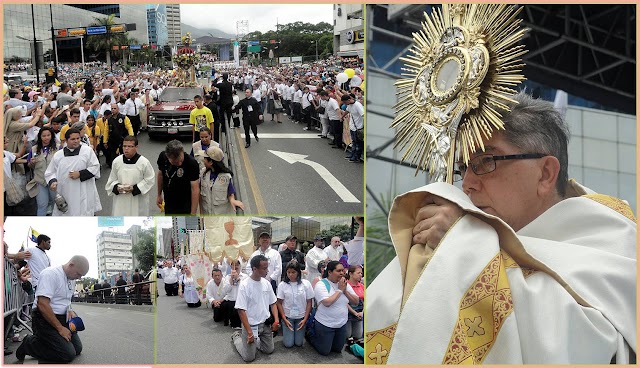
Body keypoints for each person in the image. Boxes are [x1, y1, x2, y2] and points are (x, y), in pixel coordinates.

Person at [366, 92, 637, 364]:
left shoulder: (613, 239)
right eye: (464, 168)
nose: (467, 183)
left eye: (486, 161)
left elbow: (583, 342)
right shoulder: (482, 238)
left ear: (545, 174)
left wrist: (462, 243)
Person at [15, 255, 89, 363]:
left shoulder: (71, 279)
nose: (79, 278)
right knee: (67, 354)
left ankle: (49, 341)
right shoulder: (50, 274)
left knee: (77, 349)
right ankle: (29, 343)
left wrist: (70, 310)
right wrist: (60, 328)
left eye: (81, 276)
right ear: (71, 264)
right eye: (78, 274)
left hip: (63, 317)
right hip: (44, 318)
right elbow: (42, 304)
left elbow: (65, 300)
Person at [232, 255, 280, 362]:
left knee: (269, 350)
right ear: (254, 269)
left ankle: (255, 341)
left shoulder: (266, 283)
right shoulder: (244, 285)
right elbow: (241, 310)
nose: (267, 271)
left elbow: (273, 303)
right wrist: (249, 332)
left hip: (265, 324)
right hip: (251, 326)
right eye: (264, 268)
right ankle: (237, 337)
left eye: (267, 267)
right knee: (249, 358)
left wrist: (276, 321)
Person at [44, 128, 102, 216]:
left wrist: (80, 174)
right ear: (66, 140)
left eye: (78, 138)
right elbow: (50, 172)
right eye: (73, 139)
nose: (76, 141)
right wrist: (53, 181)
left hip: (83, 190)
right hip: (66, 193)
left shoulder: (87, 151)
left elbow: (95, 167)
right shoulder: (58, 155)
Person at [310, 261, 360, 356]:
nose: (342, 273)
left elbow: (356, 301)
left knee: (337, 349)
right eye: (338, 271)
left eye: (342, 270)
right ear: (330, 272)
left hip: (341, 324)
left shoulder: (345, 284)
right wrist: (340, 290)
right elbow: (327, 303)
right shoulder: (321, 284)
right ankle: (310, 334)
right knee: (324, 351)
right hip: (325, 323)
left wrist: (345, 291)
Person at [105, 135, 155, 216]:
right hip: (121, 200)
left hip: (137, 200)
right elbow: (112, 179)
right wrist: (117, 187)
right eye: (124, 146)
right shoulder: (117, 161)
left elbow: (150, 180)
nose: (126, 149)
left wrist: (134, 188)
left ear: (136, 147)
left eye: (130, 146)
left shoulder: (143, 162)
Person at [156, 140, 200, 215]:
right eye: (175, 162)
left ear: (182, 151)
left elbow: (195, 189)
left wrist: (193, 213)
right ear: (167, 157)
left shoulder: (191, 163)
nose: (179, 164)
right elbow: (160, 175)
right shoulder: (162, 157)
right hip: (169, 201)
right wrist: (159, 195)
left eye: (181, 160)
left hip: (185, 203)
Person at [276, 260, 314, 348]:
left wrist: (305, 319)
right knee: (288, 344)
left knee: (299, 343)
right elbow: (279, 303)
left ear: (298, 272)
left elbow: (309, 302)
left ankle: (307, 333)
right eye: (288, 272)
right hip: (288, 317)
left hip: (301, 318)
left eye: (293, 272)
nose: (290, 275)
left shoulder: (306, 284)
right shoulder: (282, 285)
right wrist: (284, 318)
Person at [199, 146, 244, 215]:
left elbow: (230, 192)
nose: (203, 160)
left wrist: (232, 200)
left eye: (205, 158)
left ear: (211, 162)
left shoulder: (225, 177)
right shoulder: (203, 174)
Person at [26, 127, 59, 216]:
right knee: (42, 205)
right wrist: (31, 163)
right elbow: (29, 165)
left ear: (52, 136)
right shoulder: (34, 149)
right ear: (40, 137)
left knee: (55, 203)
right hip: (40, 181)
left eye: (48, 135)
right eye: (43, 136)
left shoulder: (58, 147)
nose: (46, 138)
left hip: (54, 181)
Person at [103, 104, 133, 168]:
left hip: (122, 140)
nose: (113, 110)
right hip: (112, 141)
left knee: (124, 155)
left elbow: (129, 127)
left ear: (118, 109)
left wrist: (131, 138)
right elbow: (106, 131)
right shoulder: (108, 120)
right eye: (112, 109)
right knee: (113, 157)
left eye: (115, 108)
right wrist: (105, 141)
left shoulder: (124, 118)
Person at [221, 260, 248, 329]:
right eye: (233, 265)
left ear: (240, 266)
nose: (235, 267)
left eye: (237, 265)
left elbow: (246, 289)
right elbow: (224, 291)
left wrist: (238, 279)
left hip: (242, 301)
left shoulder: (245, 277)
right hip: (231, 301)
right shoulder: (227, 277)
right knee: (234, 325)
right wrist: (231, 280)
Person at [342, 94, 364, 162]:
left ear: (349, 100)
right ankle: (352, 155)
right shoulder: (349, 105)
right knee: (354, 142)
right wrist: (342, 116)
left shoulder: (357, 105)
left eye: (345, 102)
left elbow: (363, 115)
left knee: (358, 143)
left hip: (358, 127)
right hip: (352, 127)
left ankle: (356, 157)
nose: (345, 104)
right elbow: (347, 110)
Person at [345, 265, 364, 340]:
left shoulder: (362, 286)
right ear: (351, 274)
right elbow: (344, 302)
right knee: (347, 334)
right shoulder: (345, 285)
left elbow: (365, 300)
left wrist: (362, 312)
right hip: (348, 313)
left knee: (358, 335)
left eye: (361, 273)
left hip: (359, 313)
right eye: (358, 273)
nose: (360, 275)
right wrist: (354, 312)